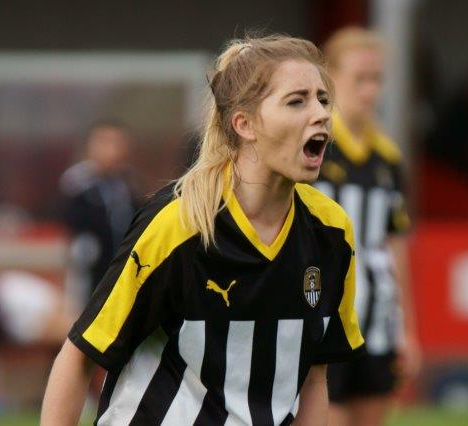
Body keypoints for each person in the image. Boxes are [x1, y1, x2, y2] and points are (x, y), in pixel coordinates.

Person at [41, 34, 365, 426]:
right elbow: (79, 357)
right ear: (244, 124)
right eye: (297, 101)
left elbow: (313, 377)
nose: (321, 114)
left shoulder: (332, 232)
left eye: (323, 99)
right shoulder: (180, 223)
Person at [317, 27, 421, 426]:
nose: (370, 90)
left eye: (377, 79)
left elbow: (396, 248)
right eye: (360, 78)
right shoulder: (312, 146)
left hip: (376, 322)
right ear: (331, 79)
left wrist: (409, 331)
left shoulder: (388, 158)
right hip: (321, 319)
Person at [59, 120, 139, 307]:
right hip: (91, 275)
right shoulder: (78, 186)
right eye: (105, 142)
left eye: (117, 142)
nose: (112, 150)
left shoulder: (127, 185)